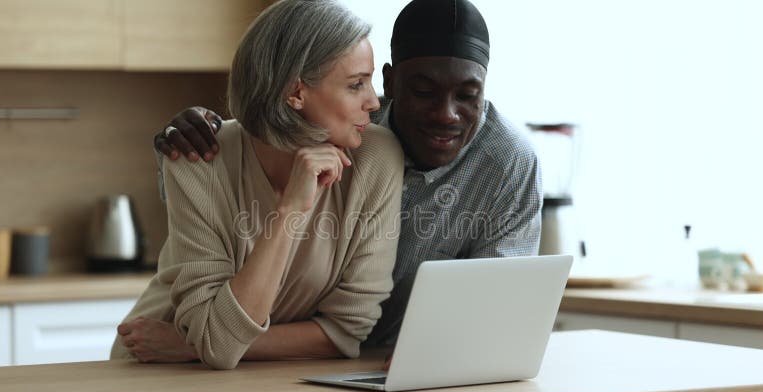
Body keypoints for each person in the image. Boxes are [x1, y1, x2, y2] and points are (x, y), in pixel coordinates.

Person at [126, 0, 541, 358]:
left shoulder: (381, 146)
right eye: (423, 91)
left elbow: (491, 315)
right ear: (393, 81)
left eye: (468, 95)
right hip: (171, 363)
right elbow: (221, 169)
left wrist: (201, 346)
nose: (446, 114)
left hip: (326, 367)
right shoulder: (352, 125)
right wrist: (187, 140)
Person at [111, 0, 404, 369]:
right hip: (161, 369)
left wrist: (193, 344)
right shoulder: (200, 160)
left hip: (246, 369)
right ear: (295, 93)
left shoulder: (376, 158)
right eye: (356, 84)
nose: (373, 102)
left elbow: (345, 332)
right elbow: (217, 345)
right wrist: (290, 210)